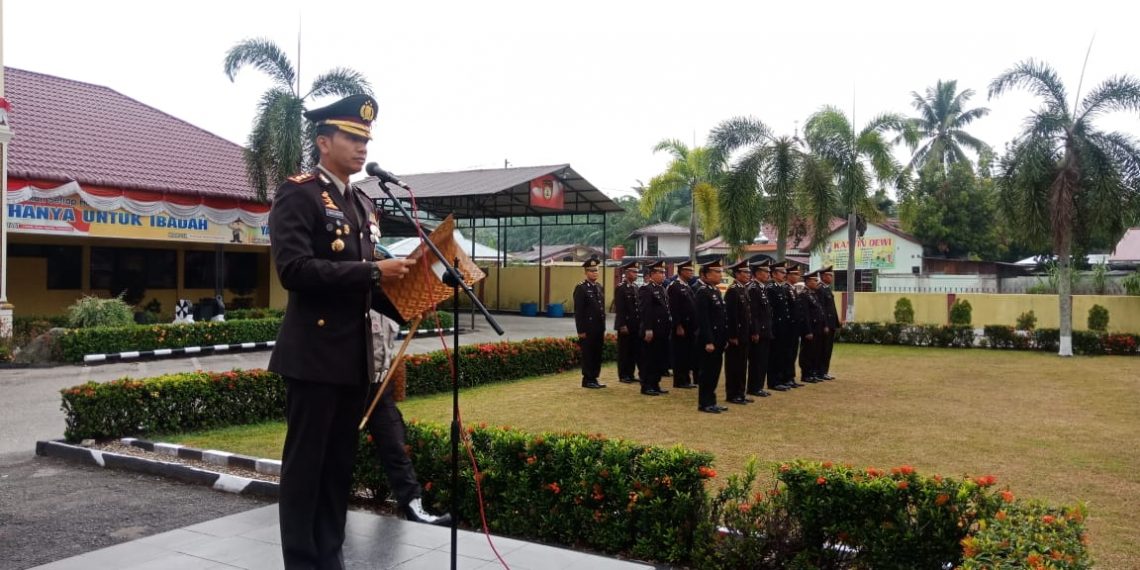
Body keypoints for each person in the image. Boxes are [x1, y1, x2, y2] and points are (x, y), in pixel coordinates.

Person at [269, 93, 417, 570]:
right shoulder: (300, 192)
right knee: (306, 471)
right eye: (351, 137)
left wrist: (414, 298)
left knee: (337, 471)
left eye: (365, 139)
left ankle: (330, 558)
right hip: (313, 358)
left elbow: (367, 285)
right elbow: (293, 270)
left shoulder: (361, 201)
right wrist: (375, 273)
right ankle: (303, 563)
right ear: (323, 141)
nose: (361, 147)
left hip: (354, 361)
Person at [365, 308, 450, 525]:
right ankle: (329, 508)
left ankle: (414, 508)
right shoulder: (359, 297)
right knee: (338, 451)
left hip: (380, 386)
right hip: (348, 387)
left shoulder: (390, 303)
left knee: (395, 445)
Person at [695, 258, 729, 414]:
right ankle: (705, 403)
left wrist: (725, 338)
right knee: (707, 372)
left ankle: (712, 401)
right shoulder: (702, 292)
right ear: (706, 275)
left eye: (720, 271)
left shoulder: (715, 291)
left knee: (715, 372)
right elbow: (703, 320)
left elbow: (721, 318)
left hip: (719, 339)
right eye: (716, 272)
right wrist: (708, 341)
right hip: (709, 340)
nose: (720, 274)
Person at [637, 260, 672, 396]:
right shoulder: (646, 289)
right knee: (648, 359)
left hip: (662, 331)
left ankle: (655, 384)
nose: (663, 275)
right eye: (660, 272)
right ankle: (646, 385)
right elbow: (645, 311)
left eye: (664, 272)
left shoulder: (661, 289)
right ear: (652, 274)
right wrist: (648, 329)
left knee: (658, 359)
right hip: (651, 331)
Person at [573, 257, 607, 389]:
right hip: (587, 328)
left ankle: (594, 377)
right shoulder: (581, 288)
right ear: (586, 272)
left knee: (597, 353)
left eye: (596, 270)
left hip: (598, 327)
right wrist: (580, 330)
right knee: (588, 354)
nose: (595, 273)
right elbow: (579, 312)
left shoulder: (599, 287)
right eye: (592, 271)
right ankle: (587, 379)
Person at [723, 260, 753, 405]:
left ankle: (740, 393)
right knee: (734, 365)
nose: (748, 275)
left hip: (744, 333)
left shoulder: (743, 289)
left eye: (748, 272)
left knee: (742, 365)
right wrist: (732, 335)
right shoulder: (732, 291)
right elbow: (731, 316)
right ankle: (732, 394)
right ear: (737, 274)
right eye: (745, 272)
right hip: (736, 335)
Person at [667, 260, 698, 389]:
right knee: (680, 354)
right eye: (689, 270)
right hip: (681, 327)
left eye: (692, 270)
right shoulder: (675, 286)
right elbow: (674, 308)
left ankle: (686, 379)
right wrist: (678, 325)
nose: (691, 273)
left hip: (689, 327)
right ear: (681, 271)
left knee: (687, 354)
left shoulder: (686, 286)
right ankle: (679, 380)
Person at [746, 259, 774, 398]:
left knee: (763, 360)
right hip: (759, 331)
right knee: (756, 361)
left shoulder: (762, 288)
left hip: (765, 330)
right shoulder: (753, 289)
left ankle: (759, 386)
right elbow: (753, 313)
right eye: (765, 272)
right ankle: (753, 387)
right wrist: (755, 331)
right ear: (757, 273)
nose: (768, 274)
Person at [766, 262, 794, 391]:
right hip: (776, 326)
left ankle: (782, 379)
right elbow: (771, 311)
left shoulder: (780, 287)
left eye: (785, 273)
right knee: (775, 355)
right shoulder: (771, 288)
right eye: (782, 272)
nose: (785, 275)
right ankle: (774, 381)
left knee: (782, 354)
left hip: (784, 327)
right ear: (774, 274)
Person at [613, 260, 641, 384]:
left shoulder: (635, 287)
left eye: (637, 272)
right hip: (625, 324)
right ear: (627, 272)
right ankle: (623, 374)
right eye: (634, 272)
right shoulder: (621, 288)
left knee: (633, 350)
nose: (636, 274)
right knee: (624, 351)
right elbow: (620, 308)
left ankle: (630, 373)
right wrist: (622, 324)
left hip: (635, 324)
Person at [797, 271, 828, 383]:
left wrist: (824, 325)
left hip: (818, 328)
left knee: (815, 351)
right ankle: (806, 374)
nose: (817, 283)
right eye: (815, 280)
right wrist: (808, 331)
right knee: (807, 352)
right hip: (811, 329)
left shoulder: (813, 294)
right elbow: (804, 315)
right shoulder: (803, 295)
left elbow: (821, 311)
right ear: (808, 282)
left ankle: (813, 372)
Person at [785, 265, 807, 388]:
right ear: (788, 275)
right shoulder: (786, 288)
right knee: (788, 354)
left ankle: (791, 378)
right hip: (788, 327)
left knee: (793, 353)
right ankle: (787, 378)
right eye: (794, 274)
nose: (797, 276)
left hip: (794, 327)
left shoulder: (793, 289)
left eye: (797, 274)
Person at [819, 265, 841, 380]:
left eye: (832, 275)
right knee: (823, 349)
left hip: (831, 324)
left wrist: (837, 323)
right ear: (823, 276)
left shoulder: (827, 288)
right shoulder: (820, 289)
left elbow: (832, 309)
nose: (831, 278)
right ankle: (820, 372)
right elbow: (822, 310)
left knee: (828, 350)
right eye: (829, 275)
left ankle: (824, 372)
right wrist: (825, 324)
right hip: (826, 325)